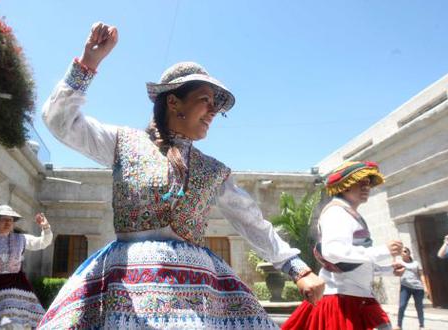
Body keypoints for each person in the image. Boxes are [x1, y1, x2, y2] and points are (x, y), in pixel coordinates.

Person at [37, 22, 324, 329]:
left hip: (197, 289)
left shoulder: (213, 170)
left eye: (216, 106)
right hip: (127, 286)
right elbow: (59, 120)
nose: (213, 112)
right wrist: (89, 62)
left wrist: (298, 269)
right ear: (173, 102)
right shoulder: (123, 143)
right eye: (205, 100)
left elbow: (251, 221)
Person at [283, 161, 405, 330]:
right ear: (344, 186)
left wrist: (387, 270)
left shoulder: (349, 213)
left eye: (368, 183)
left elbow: (353, 264)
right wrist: (383, 251)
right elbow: (333, 251)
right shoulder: (336, 212)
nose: (366, 187)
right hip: (342, 301)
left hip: (358, 298)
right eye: (360, 182)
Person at [393, 247, 425, 330]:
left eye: (405, 251)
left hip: (418, 287)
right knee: (402, 305)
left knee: (419, 307)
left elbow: (421, 274)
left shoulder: (416, 263)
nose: (403, 252)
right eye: (401, 251)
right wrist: (394, 256)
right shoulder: (399, 262)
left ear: (409, 253)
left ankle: (421, 325)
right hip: (405, 287)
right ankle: (399, 325)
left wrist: (425, 287)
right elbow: (394, 269)